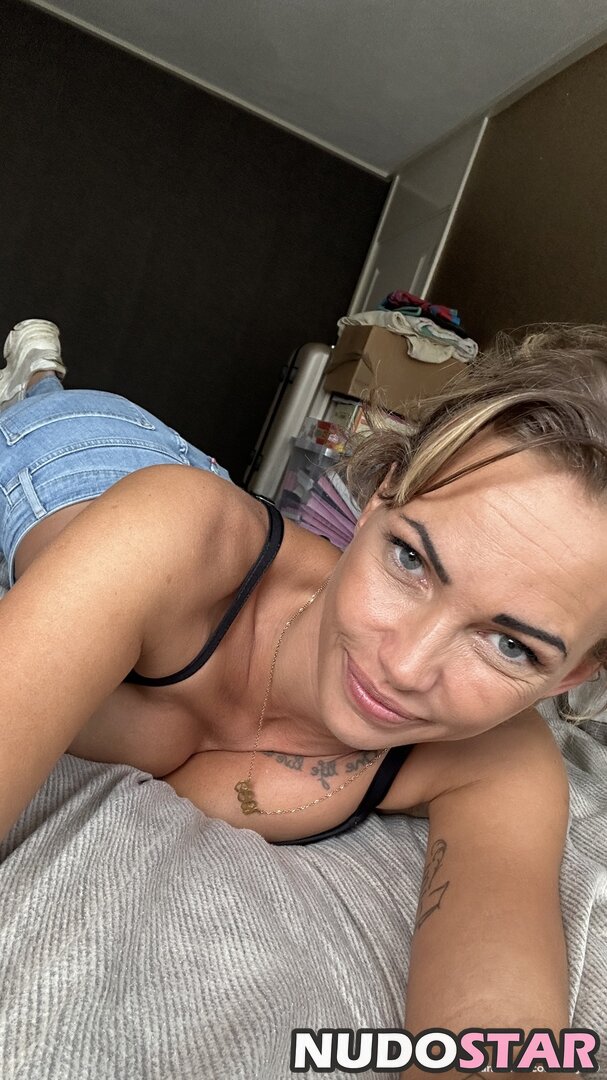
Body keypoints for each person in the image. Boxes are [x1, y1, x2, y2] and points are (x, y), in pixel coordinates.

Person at [1, 317, 606, 1072]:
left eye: (511, 644)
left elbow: (497, 1044)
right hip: (70, 460)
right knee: (51, 423)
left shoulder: (500, 762)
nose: (404, 666)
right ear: (375, 500)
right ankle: (36, 386)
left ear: (571, 676)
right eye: (410, 559)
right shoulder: (171, 540)